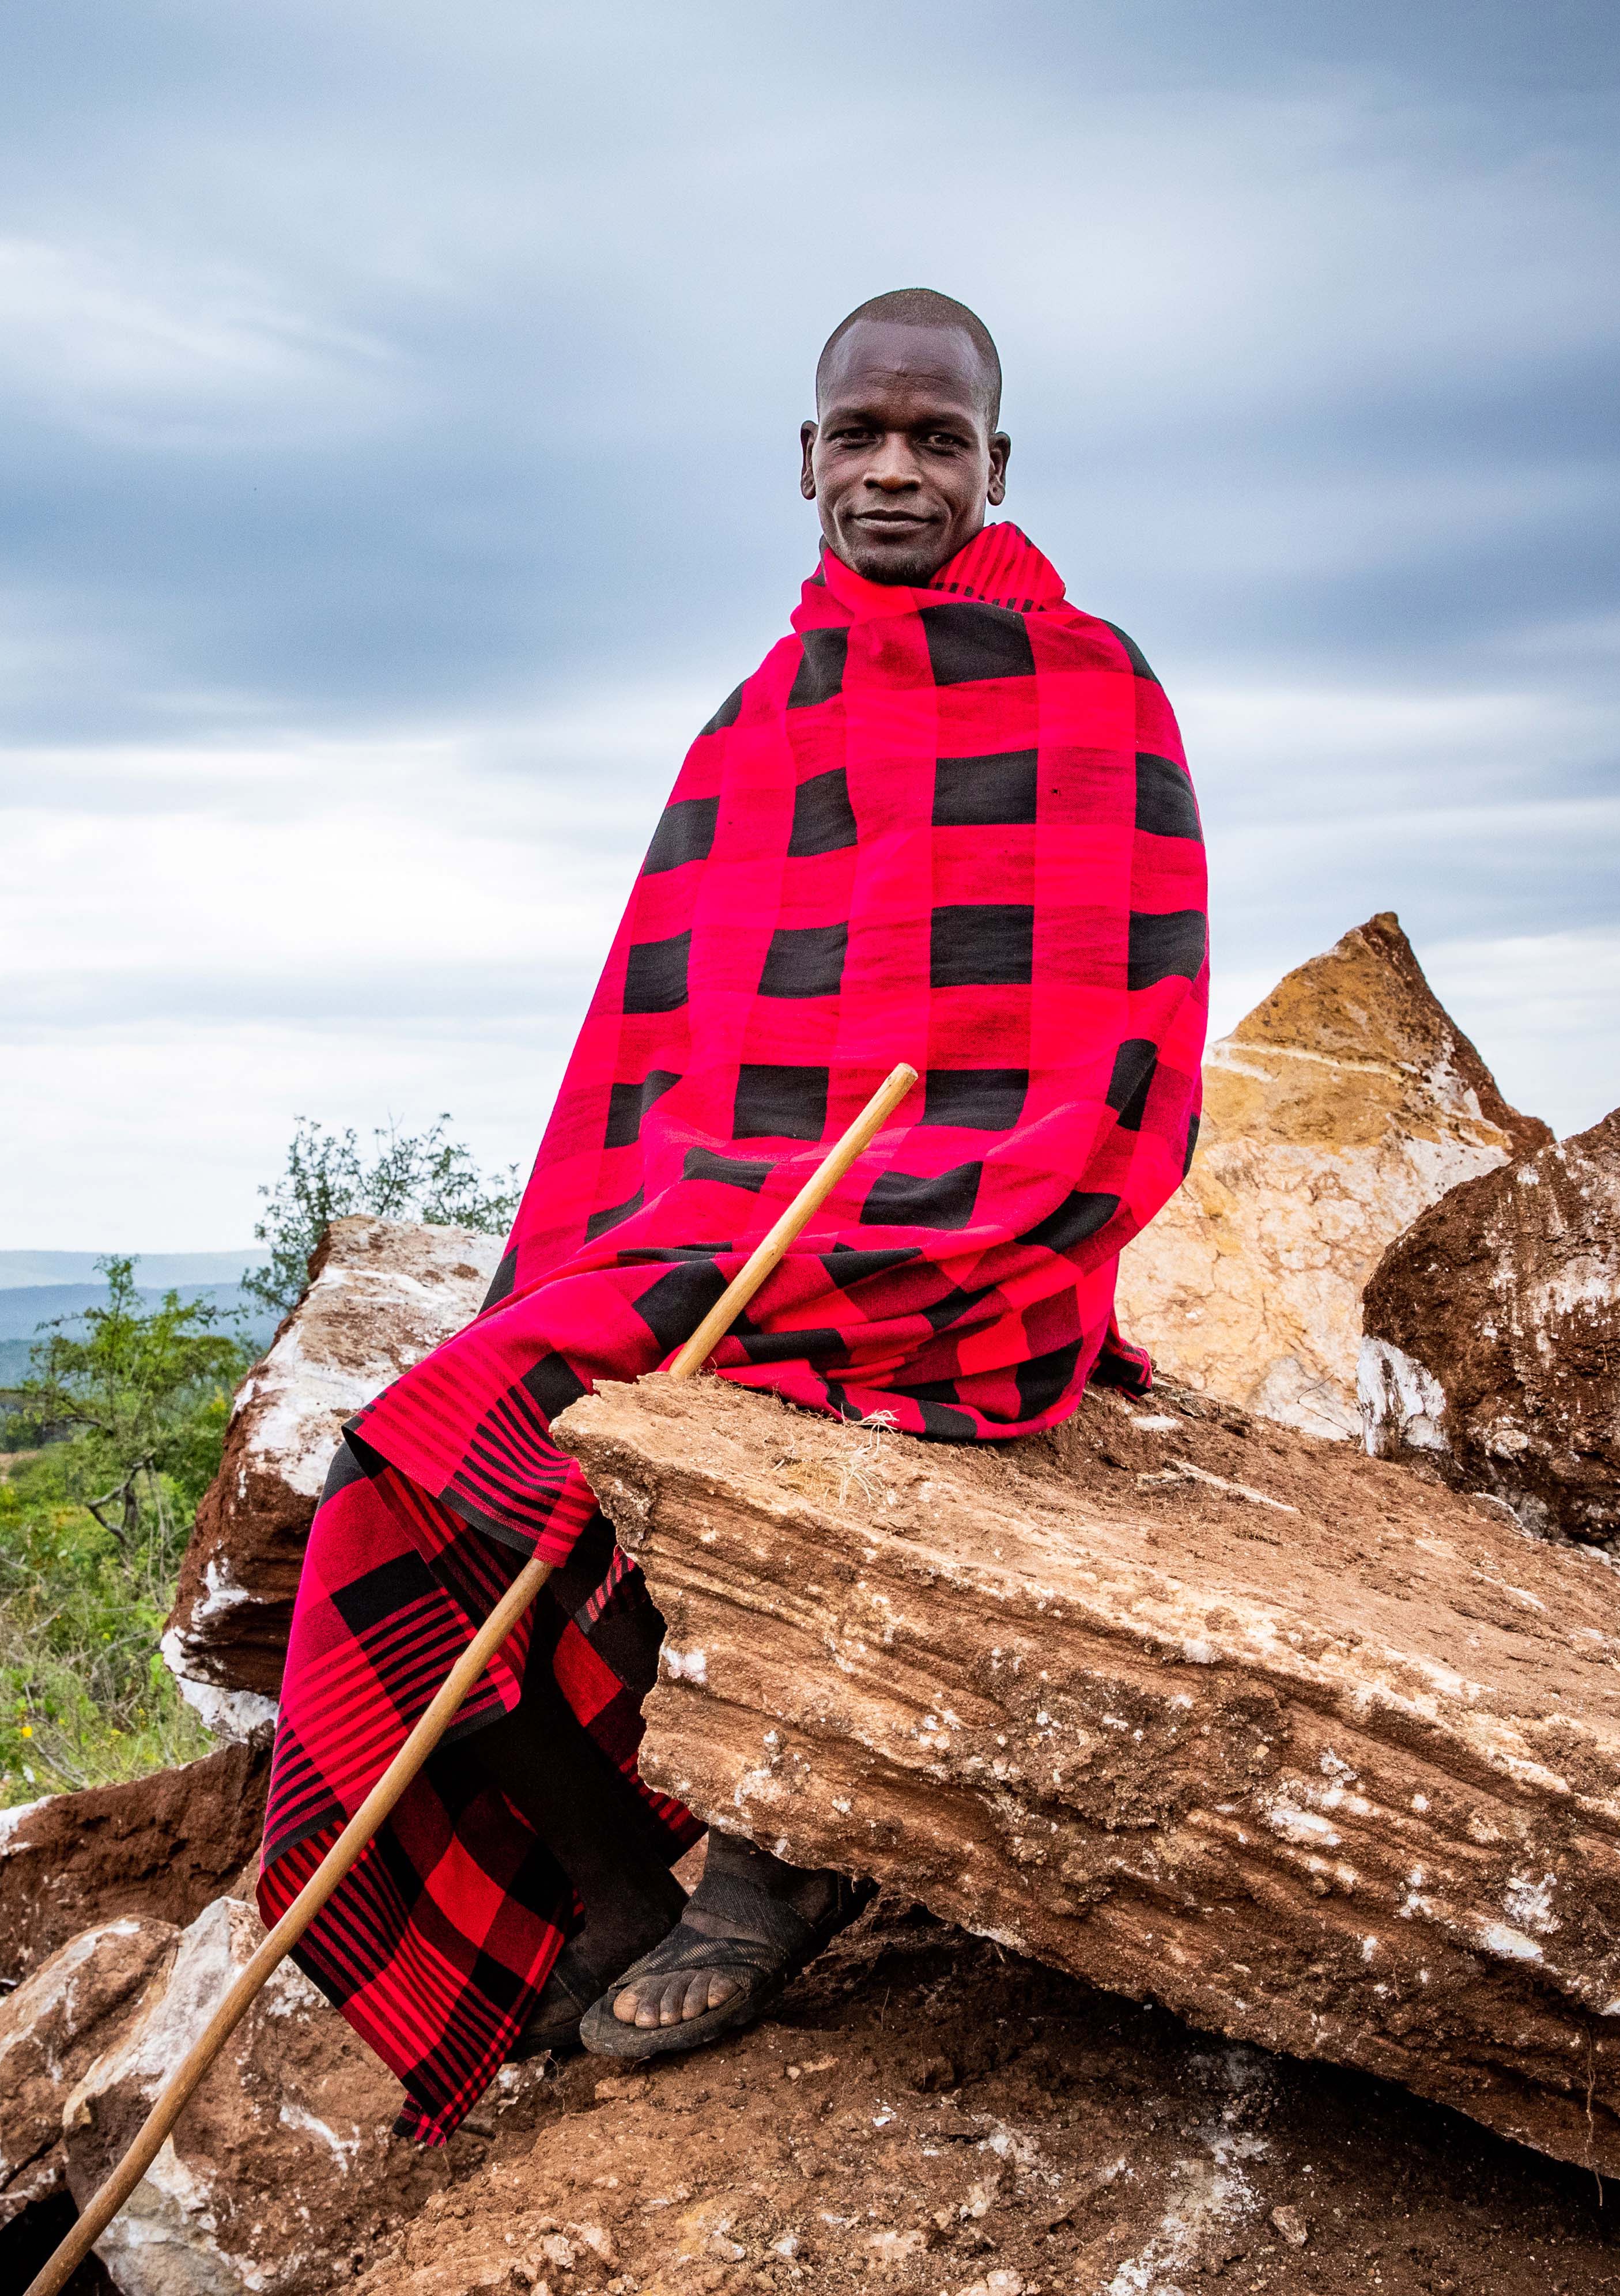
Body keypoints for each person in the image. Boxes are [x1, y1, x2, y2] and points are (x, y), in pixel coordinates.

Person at [258, 289, 1210, 2143]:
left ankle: (767, 1870)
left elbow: (1129, 1049)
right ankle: (610, 1885)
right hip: (732, 1218)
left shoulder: (1087, 686)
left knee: (770, 1420)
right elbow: (656, 1039)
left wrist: (948, 1201)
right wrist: (671, 1231)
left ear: (993, 464)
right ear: (801, 457)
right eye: (857, 432)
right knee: (427, 1446)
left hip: (972, 1234)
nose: (890, 468)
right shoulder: (754, 718)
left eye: (933, 438)